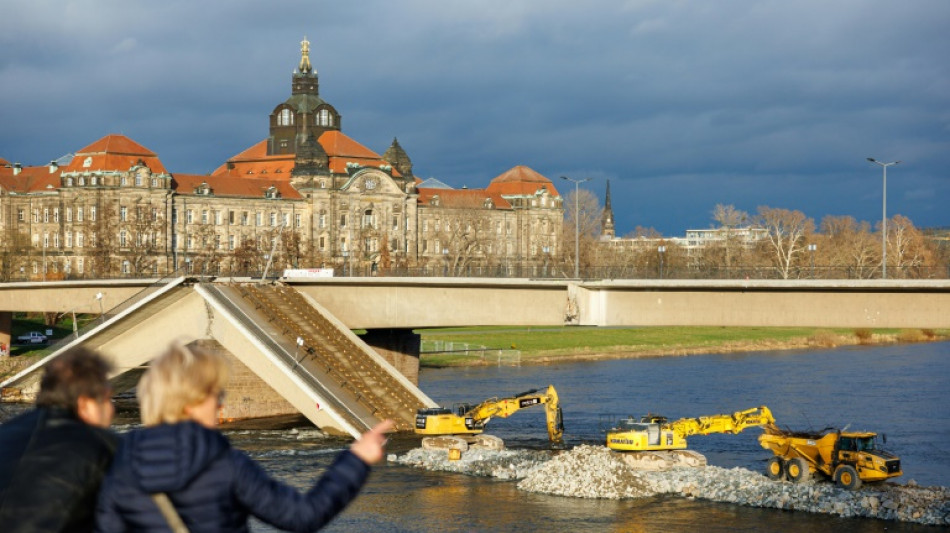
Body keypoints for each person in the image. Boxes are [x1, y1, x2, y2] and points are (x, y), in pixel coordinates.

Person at [96, 344, 392, 532]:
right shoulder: (224, 464)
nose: (222, 404)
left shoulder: (116, 464)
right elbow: (303, 516)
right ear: (191, 402)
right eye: (217, 395)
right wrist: (356, 459)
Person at [0, 347, 117, 532]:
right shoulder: (104, 445)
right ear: (85, 403)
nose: (112, 409)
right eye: (108, 399)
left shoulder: (5, 433)